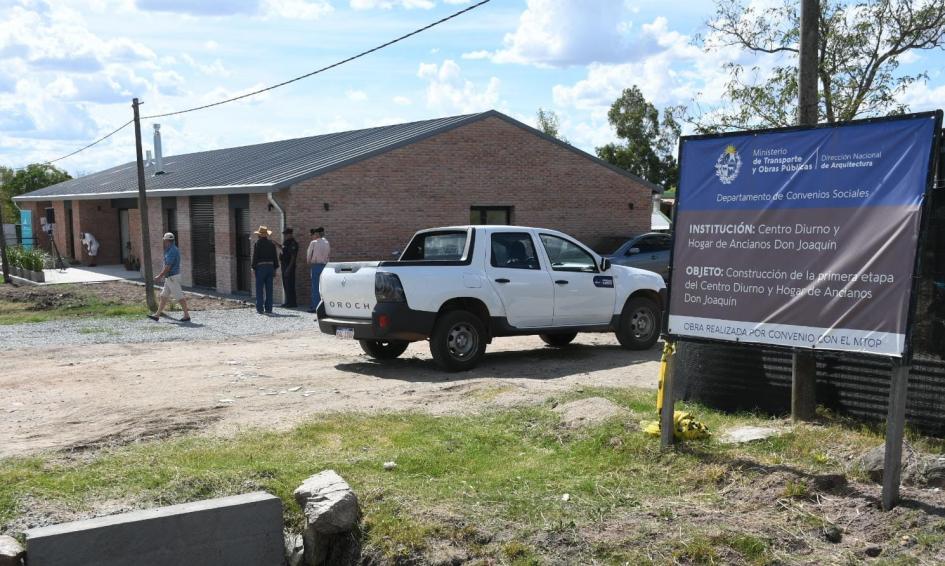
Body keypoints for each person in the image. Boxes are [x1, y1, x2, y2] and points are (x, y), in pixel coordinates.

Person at [148, 233, 191, 322]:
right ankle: (157, 315)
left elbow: (168, 266)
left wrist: (160, 276)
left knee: (179, 297)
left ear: (166, 240)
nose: (163, 241)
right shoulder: (171, 249)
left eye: (164, 240)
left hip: (172, 278)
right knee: (163, 296)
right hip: (170, 278)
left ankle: (187, 316)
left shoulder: (172, 251)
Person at [251, 225, 280, 314]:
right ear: (266, 234)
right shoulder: (271, 244)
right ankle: (269, 308)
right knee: (269, 289)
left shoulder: (257, 243)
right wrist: (275, 268)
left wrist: (253, 267)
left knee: (259, 289)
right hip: (270, 267)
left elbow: (255, 257)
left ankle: (260, 309)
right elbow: (275, 257)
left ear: (259, 235)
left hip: (261, 268)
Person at [306, 227, 330, 313]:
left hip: (315, 266)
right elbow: (328, 255)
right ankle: (323, 306)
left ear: (317, 234)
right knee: (323, 287)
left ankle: (315, 307)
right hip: (325, 266)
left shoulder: (313, 242)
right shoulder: (327, 242)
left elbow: (309, 254)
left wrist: (309, 262)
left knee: (315, 287)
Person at [278, 228, 299, 308]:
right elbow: (283, 249)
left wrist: (288, 269)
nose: (285, 236)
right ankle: (288, 302)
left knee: (290, 285)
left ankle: (292, 303)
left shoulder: (293, 243)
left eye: (286, 234)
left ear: (290, 234)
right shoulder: (286, 242)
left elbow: (293, 257)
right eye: (284, 234)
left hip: (289, 266)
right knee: (286, 285)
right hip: (284, 266)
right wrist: (276, 244)